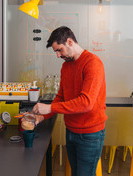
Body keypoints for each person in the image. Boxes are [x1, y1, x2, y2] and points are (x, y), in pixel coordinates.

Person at [32, 26, 107, 176]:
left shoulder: (93, 63)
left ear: (70, 41)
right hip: (71, 131)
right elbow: (61, 97)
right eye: (56, 52)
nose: (58, 56)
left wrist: (49, 109)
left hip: (90, 135)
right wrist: (41, 116)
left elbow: (86, 103)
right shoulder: (66, 67)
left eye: (59, 50)